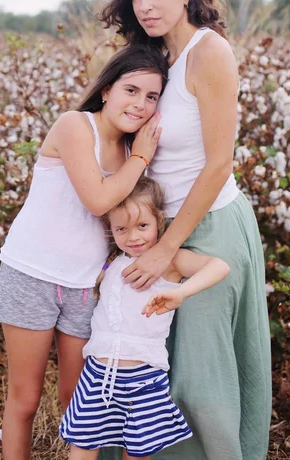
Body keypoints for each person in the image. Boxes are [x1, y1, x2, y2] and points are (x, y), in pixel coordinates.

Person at [96, 0, 271, 460]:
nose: (146, 4)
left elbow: (219, 164)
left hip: (209, 226)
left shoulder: (208, 52)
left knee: (199, 379)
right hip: (151, 226)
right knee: (149, 370)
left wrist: (164, 250)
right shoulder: (151, 58)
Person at [0, 44, 168, 460]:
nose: (140, 104)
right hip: (32, 274)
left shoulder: (128, 152)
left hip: (86, 286)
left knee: (77, 400)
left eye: (152, 96)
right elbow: (98, 200)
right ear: (107, 89)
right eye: (132, 90)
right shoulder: (74, 126)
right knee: (26, 398)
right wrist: (142, 155)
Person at [60, 177, 230, 459]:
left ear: (159, 221)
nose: (133, 236)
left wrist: (183, 292)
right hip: (97, 374)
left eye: (142, 225)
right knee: (82, 443)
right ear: (111, 230)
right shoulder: (112, 260)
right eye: (121, 229)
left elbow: (219, 266)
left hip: (144, 378)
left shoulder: (169, 262)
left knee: (138, 450)